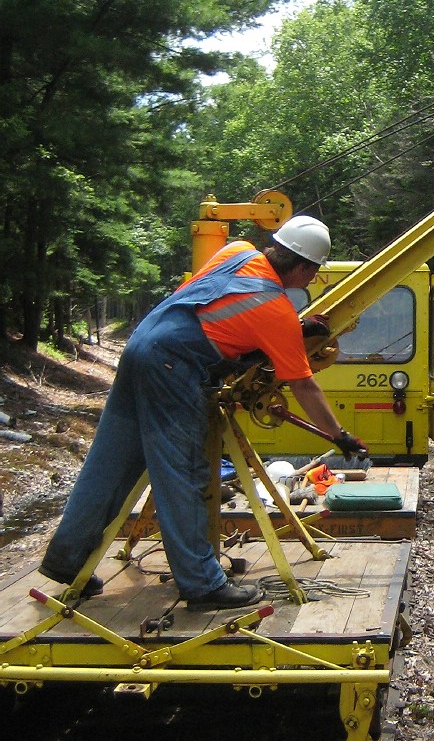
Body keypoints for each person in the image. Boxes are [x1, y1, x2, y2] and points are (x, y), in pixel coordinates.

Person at [40, 215, 367, 609]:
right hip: (173, 368)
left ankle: (66, 560)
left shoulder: (237, 252)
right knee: (184, 473)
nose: (312, 280)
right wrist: (337, 433)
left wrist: (292, 332)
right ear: (302, 266)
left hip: (141, 348)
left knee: (111, 463)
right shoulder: (275, 309)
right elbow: (304, 385)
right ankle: (202, 585)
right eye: (313, 273)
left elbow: (218, 312)